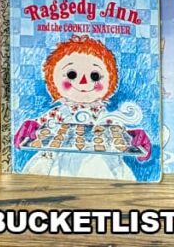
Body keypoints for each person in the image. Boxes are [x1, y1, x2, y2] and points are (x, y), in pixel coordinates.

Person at [13, 35, 152, 180]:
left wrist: (132, 138)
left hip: (99, 167)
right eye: (71, 74)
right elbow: (41, 127)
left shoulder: (105, 117)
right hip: (59, 166)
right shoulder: (58, 114)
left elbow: (118, 133)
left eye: (95, 76)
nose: (84, 82)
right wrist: (32, 127)